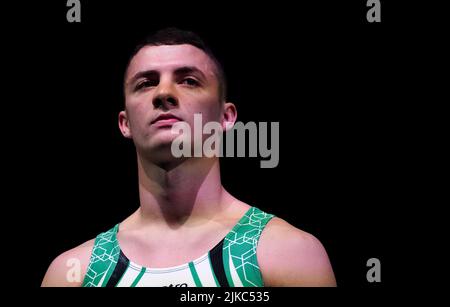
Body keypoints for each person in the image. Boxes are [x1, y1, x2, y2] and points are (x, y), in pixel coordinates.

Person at [41, 28, 336, 287]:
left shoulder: (288, 253)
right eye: (146, 83)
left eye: (189, 81)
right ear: (125, 123)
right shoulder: (74, 273)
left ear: (225, 117)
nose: (164, 93)